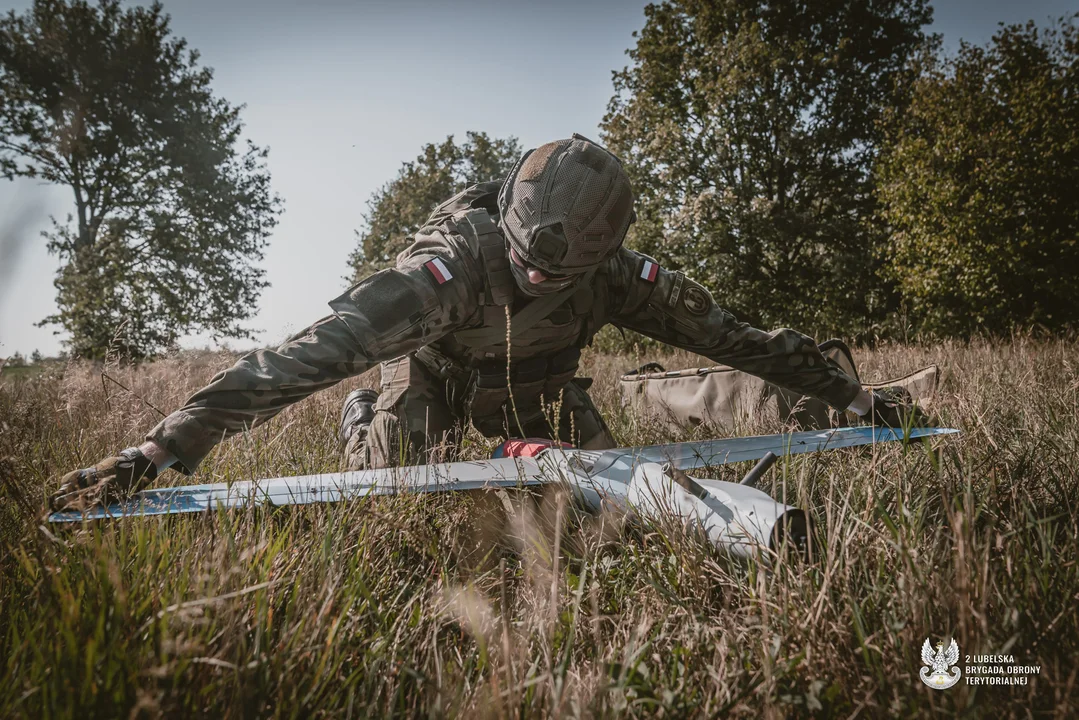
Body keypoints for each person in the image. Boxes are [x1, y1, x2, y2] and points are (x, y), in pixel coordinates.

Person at [50, 135, 920, 510]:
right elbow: (319, 350)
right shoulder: (448, 267)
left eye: (561, 271)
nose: (538, 277)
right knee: (394, 487)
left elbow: (732, 338)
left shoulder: (622, 278)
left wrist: (853, 396)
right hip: (432, 378)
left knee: (593, 507)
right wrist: (163, 449)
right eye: (528, 262)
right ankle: (366, 427)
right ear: (506, 218)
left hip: (535, 393)